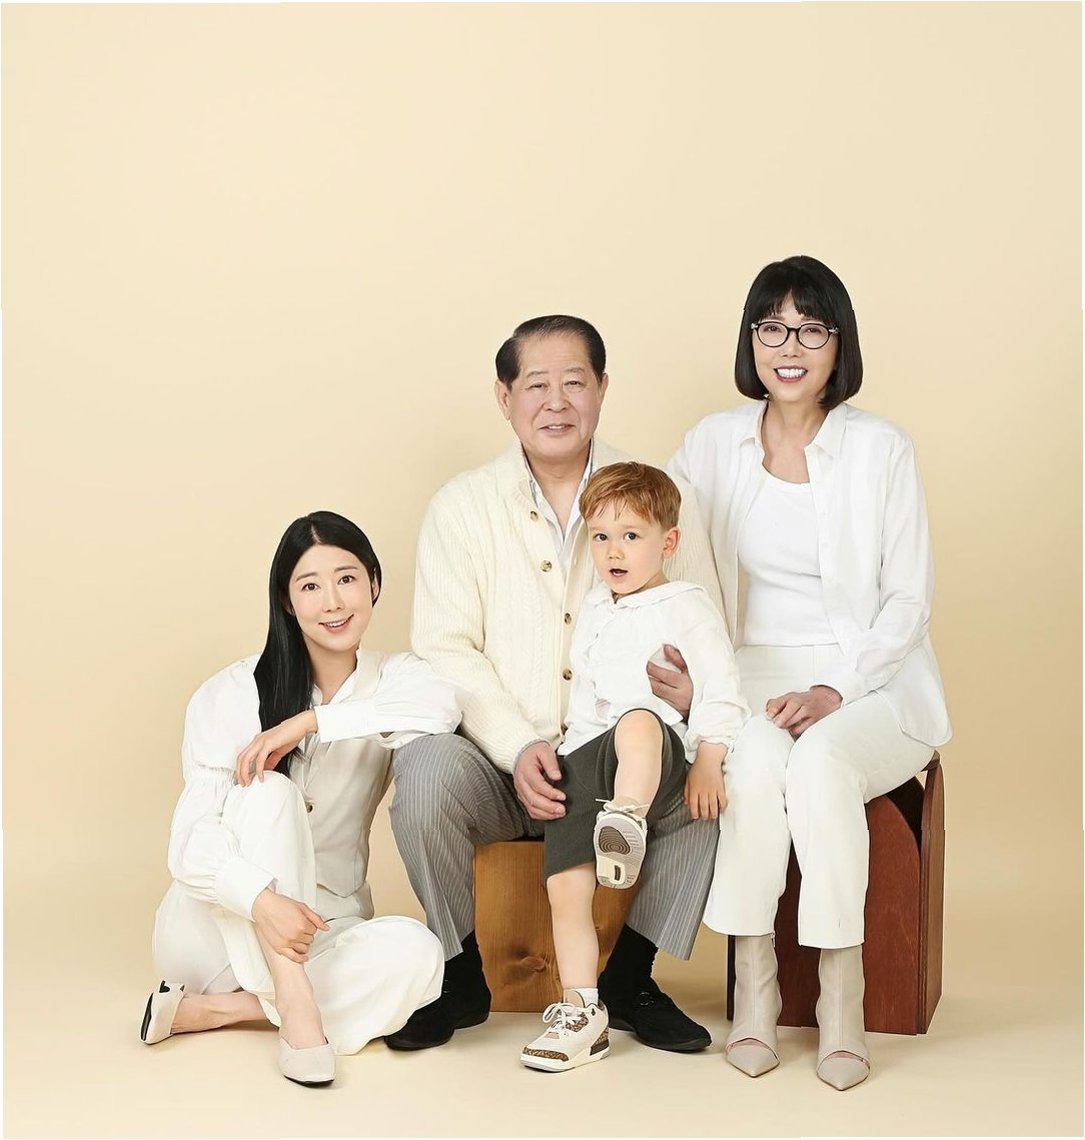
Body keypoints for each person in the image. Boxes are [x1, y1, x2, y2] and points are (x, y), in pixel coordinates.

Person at [386, 315, 726, 1053]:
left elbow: (703, 627)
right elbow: (444, 648)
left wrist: (682, 702)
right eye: (536, 384)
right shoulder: (461, 506)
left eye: (575, 382)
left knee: (709, 777)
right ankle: (460, 974)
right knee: (422, 771)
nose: (556, 401)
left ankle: (631, 978)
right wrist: (516, 745)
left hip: (619, 763)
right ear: (504, 397)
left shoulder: (661, 496)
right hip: (497, 763)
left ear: (602, 389)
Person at [667, 255, 952, 1090]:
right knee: (754, 765)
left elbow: (908, 600)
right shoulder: (711, 444)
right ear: (749, 339)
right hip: (752, 675)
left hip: (876, 680)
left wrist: (835, 690)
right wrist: (696, 684)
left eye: (810, 330)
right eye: (771, 328)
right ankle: (754, 990)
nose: (787, 348)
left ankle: (840, 997)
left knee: (821, 761)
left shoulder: (879, 448)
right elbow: (663, 561)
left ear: (838, 344)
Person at [142, 511, 459, 1086]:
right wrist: (262, 901)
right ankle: (295, 1006)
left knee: (419, 952)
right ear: (288, 603)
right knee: (270, 793)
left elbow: (441, 710)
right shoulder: (232, 691)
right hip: (215, 933)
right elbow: (189, 843)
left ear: (374, 583)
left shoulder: (398, 678)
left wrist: (311, 722)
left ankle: (219, 1012)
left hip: (324, 925)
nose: (332, 602)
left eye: (347, 579)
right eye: (310, 586)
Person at [519, 462, 748, 1072]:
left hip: (653, 754)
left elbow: (723, 687)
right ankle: (582, 1012)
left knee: (639, 719)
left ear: (668, 542)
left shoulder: (686, 605)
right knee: (566, 888)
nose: (614, 551)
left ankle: (627, 819)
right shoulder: (594, 606)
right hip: (584, 756)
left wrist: (709, 755)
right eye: (600, 536)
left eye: (631, 536)